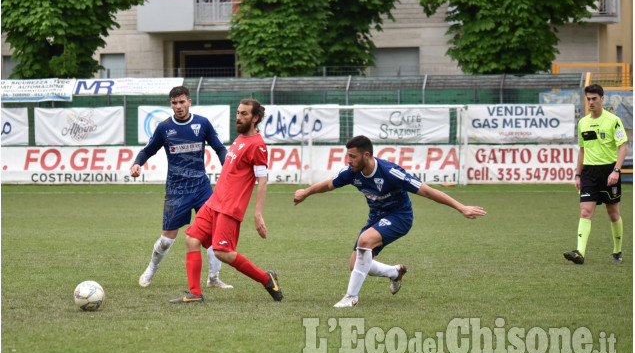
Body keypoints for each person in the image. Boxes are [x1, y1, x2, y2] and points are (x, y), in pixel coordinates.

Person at [294, 135, 487, 307]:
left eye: (352, 156)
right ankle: (395, 272)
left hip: (400, 217)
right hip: (376, 218)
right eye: (348, 156)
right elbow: (328, 184)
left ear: (366, 155)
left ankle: (351, 297)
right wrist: (306, 192)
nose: (349, 160)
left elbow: (427, 191)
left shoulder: (390, 173)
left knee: (364, 242)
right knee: (356, 265)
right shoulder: (351, 173)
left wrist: (460, 207)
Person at [170, 98, 282, 303]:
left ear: (255, 118)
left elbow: (263, 180)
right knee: (191, 240)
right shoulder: (240, 139)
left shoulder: (258, 145)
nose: (238, 117)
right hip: (214, 203)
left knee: (223, 252)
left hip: (230, 208)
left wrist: (258, 213)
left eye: (244, 114)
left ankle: (266, 279)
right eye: (238, 113)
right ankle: (194, 294)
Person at [132, 86, 232, 289]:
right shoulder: (164, 127)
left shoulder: (202, 123)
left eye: (182, 102)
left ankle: (213, 278)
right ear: (171, 104)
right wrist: (137, 163)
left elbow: (219, 148)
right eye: (174, 103)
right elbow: (148, 150)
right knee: (167, 239)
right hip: (176, 191)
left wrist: (228, 167)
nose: (178, 106)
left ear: (189, 102)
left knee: (214, 234)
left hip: (201, 188)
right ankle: (151, 269)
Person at [564, 84, 628, 265]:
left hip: (609, 171)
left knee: (613, 214)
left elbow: (622, 146)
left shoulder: (613, 120)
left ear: (602, 99)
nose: (591, 102)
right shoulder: (583, 123)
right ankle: (580, 253)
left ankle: (617, 251)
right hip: (589, 173)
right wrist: (578, 175)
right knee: (585, 212)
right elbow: (582, 150)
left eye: (594, 98)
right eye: (588, 99)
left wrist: (616, 170)